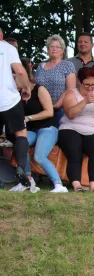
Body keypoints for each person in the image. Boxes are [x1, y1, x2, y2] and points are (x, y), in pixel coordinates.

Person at [11, 59, 67, 193]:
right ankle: (28, 181)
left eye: (14, 77)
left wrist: (28, 118)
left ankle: (59, 185)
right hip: (31, 129)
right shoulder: (15, 94)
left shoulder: (39, 89)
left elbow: (49, 112)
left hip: (47, 127)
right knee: (20, 147)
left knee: (39, 156)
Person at [57, 67, 94, 192]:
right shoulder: (72, 93)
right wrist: (85, 101)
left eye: (93, 84)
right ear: (79, 81)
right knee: (74, 149)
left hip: (93, 130)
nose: (90, 88)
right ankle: (77, 185)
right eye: (86, 84)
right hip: (71, 127)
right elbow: (70, 114)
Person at [0, 35, 32, 187]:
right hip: (9, 100)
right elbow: (20, 72)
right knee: (21, 134)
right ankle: (20, 166)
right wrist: (26, 88)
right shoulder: (8, 48)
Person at [34, 35, 76, 128]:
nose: (54, 49)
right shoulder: (41, 66)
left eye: (58, 47)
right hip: (40, 109)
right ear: (48, 49)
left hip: (59, 109)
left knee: (55, 137)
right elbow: (35, 87)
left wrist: (55, 106)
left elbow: (70, 89)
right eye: (51, 46)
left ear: (62, 50)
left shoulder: (67, 65)